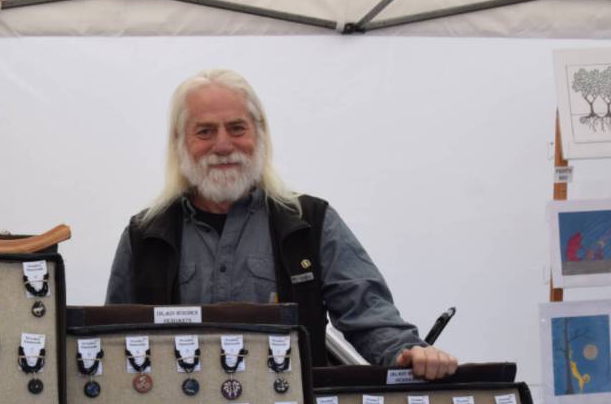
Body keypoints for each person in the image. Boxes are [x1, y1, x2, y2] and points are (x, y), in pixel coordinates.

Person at [105, 68, 457, 379]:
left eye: (237, 128)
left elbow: (368, 313)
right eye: (205, 131)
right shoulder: (145, 236)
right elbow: (112, 344)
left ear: (260, 134)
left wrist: (407, 352)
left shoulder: (310, 223)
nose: (224, 145)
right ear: (180, 143)